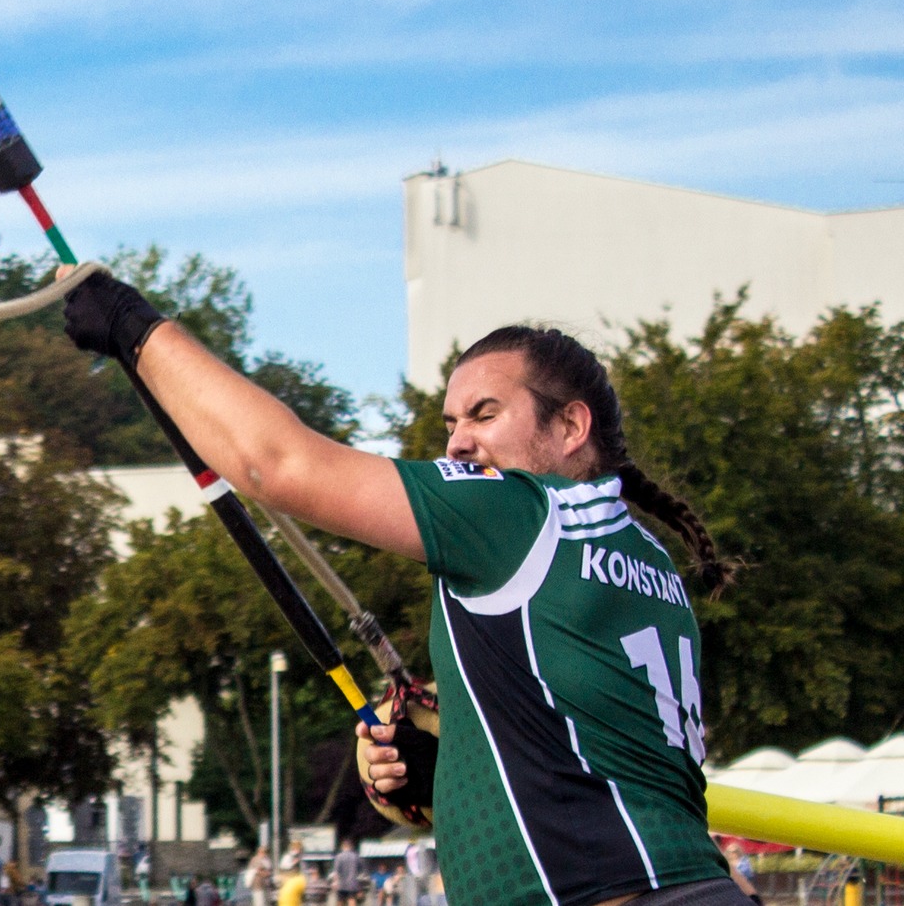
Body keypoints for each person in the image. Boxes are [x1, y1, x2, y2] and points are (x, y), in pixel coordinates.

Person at [64, 275, 747, 906]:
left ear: (570, 426)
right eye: (451, 424)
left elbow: (275, 462)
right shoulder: (647, 557)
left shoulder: (518, 513)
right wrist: (455, 771)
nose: (457, 444)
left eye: (484, 414)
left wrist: (134, 326)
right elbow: (587, 753)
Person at [330, 841, 363, 906]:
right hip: (352, 884)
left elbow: (336, 872)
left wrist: (335, 882)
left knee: (340, 900)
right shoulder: (356, 856)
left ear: (343, 846)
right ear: (351, 847)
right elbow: (360, 872)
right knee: (351, 899)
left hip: (341, 884)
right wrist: (360, 887)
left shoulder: (339, 857)